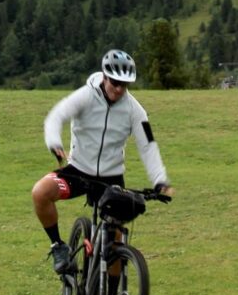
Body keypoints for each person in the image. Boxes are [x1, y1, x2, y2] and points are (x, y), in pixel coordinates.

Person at [32, 49, 173, 273]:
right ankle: (58, 246)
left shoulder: (136, 111)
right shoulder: (85, 96)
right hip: (78, 171)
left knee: (115, 241)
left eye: (124, 85)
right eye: (115, 82)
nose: (118, 89)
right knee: (40, 192)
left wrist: (159, 180)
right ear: (105, 76)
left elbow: (148, 145)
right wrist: (55, 144)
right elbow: (56, 116)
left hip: (111, 178)